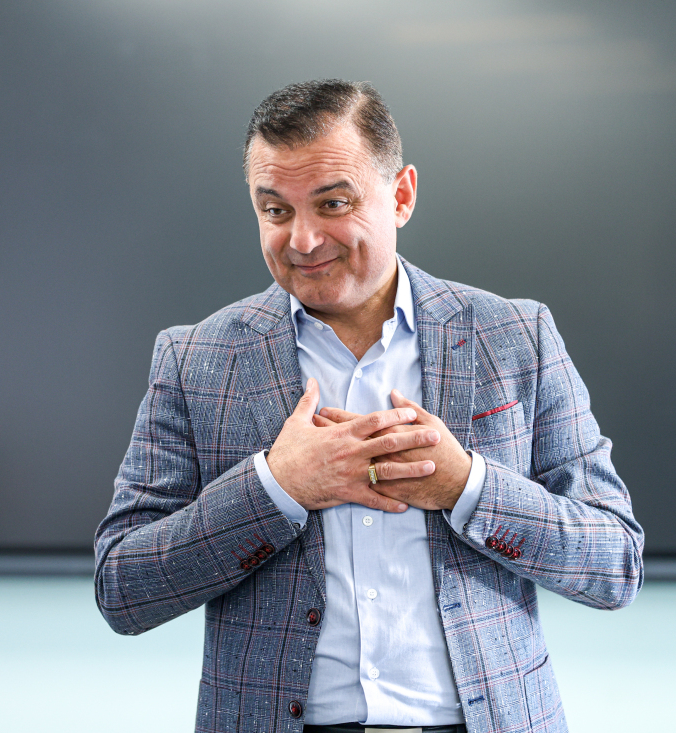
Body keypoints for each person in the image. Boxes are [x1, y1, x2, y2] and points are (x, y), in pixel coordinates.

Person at [95, 79, 643, 733]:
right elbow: (122, 589)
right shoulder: (195, 359)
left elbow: (615, 564)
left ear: (401, 195)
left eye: (333, 203)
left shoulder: (515, 337)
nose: (302, 239)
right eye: (275, 210)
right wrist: (276, 488)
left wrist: (466, 487)